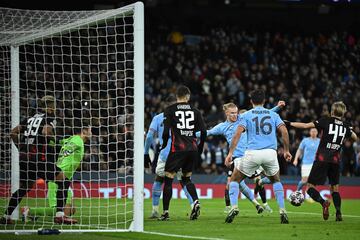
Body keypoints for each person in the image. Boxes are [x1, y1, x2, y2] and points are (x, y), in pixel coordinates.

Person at [1, 95, 77, 225]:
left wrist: (21, 148)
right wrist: (56, 141)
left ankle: (6, 216)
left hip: (25, 159)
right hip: (39, 159)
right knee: (64, 181)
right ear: (50, 106)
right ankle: (60, 215)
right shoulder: (49, 118)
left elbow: (13, 133)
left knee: (24, 188)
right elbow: (46, 132)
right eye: (53, 105)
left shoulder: (29, 119)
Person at [197, 102, 285, 213]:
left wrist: (278, 107)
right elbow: (207, 132)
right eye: (232, 113)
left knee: (262, 179)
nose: (235, 115)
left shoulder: (243, 117)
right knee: (238, 184)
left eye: (236, 113)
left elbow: (266, 113)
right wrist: (189, 134)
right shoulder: (222, 127)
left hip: (251, 156)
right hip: (237, 158)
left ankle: (262, 198)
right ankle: (254, 204)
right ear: (226, 113)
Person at [224, 89, 292, 224]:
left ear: (251, 101)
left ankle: (233, 207)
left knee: (234, 180)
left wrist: (230, 153)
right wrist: (286, 150)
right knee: (276, 180)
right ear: (264, 101)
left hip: (252, 153)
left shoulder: (246, 115)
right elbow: (284, 130)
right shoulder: (272, 114)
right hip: (271, 153)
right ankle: (283, 210)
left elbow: (237, 134)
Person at [286, 101, 357, 221]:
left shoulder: (326, 120)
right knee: (335, 188)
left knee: (309, 187)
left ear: (332, 111)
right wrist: (348, 130)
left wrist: (289, 123)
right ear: (343, 112)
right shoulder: (345, 125)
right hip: (335, 160)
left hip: (322, 159)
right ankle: (339, 213)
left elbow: (305, 126)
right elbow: (354, 137)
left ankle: (323, 203)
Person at [21, 124, 92, 221]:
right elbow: (64, 147)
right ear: (84, 132)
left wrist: (49, 137)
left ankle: (33, 214)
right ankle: (29, 211)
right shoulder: (78, 140)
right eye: (90, 130)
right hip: (58, 178)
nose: (91, 133)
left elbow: (56, 141)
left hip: (64, 178)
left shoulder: (70, 139)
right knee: (65, 211)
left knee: (71, 210)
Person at [159, 85, 207, 221]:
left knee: (168, 179)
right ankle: (196, 201)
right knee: (186, 179)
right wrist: (200, 147)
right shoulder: (195, 111)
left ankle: (166, 212)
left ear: (176, 96)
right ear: (188, 96)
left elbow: (165, 132)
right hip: (192, 149)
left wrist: (163, 145)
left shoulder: (169, 110)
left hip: (177, 149)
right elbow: (203, 132)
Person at [144, 95, 194, 219]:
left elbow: (149, 137)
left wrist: (146, 153)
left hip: (166, 153)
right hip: (182, 152)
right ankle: (194, 205)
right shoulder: (185, 118)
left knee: (160, 179)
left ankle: (156, 210)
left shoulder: (158, 118)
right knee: (184, 181)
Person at [292, 128, 320, 192]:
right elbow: (299, 150)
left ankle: (310, 196)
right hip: (306, 163)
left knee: (312, 181)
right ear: (310, 132)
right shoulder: (305, 140)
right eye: (312, 131)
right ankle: (297, 191)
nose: (313, 132)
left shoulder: (319, 141)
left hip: (316, 163)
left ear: (317, 133)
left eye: (315, 131)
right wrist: (295, 159)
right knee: (304, 180)